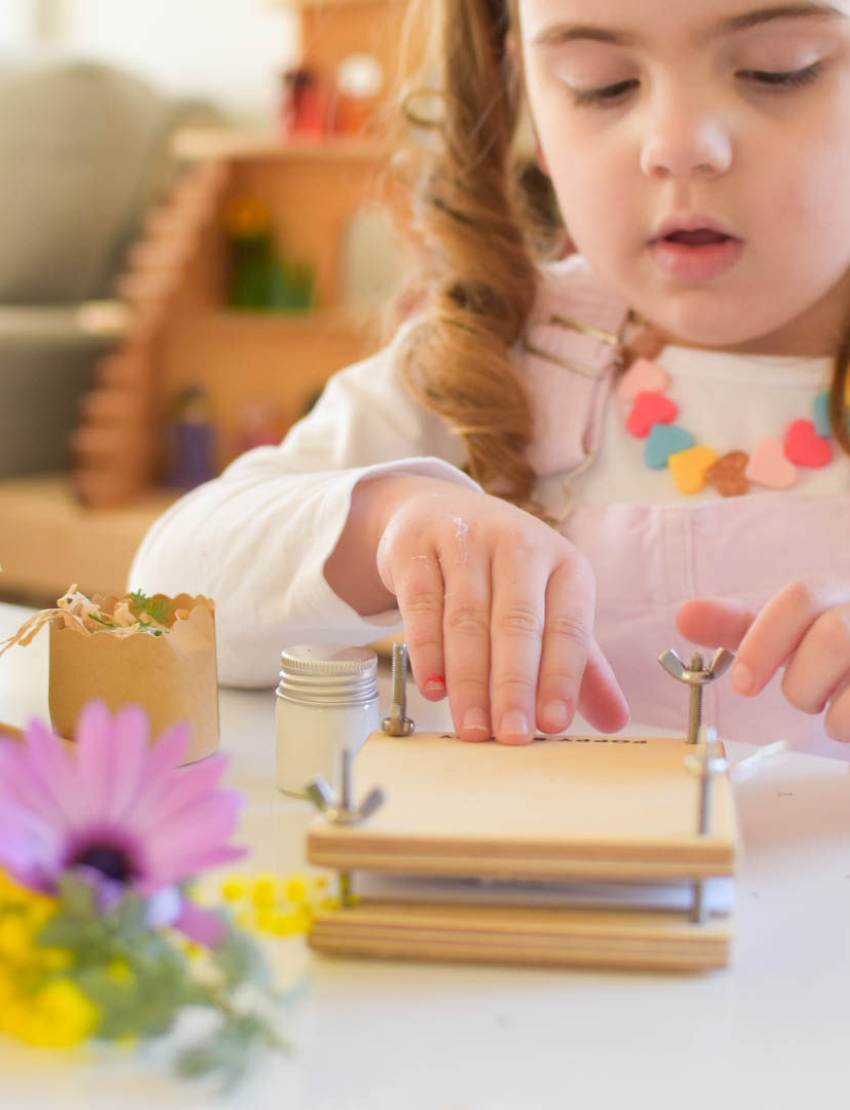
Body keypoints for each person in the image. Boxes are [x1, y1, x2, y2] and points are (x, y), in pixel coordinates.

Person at [131, 0, 850, 757]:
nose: (678, 146)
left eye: (781, 69)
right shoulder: (494, 354)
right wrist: (382, 523)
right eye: (600, 84)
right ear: (529, 100)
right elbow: (167, 594)